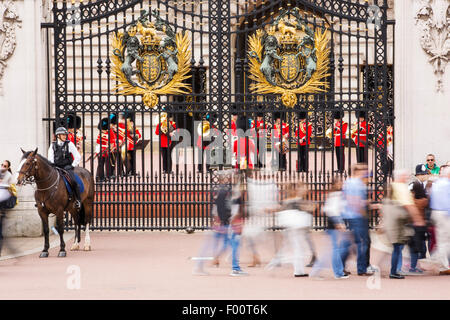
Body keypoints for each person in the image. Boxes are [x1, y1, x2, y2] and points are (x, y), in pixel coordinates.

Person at [382, 169, 420, 279]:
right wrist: (418, 219)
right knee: (398, 248)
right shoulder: (401, 188)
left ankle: (395, 269)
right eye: (405, 175)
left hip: (394, 223)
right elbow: (409, 206)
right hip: (398, 223)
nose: (407, 177)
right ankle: (394, 271)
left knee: (396, 247)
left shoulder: (392, 187)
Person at [311, 178, 349, 279]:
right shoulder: (336, 195)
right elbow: (333, 211)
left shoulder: (333, 195)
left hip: (332, 224)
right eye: (339, 183)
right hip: (334, 224)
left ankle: (339, 272)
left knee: (335, 249)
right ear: (335, 184)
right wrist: (339, 223)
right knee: (333, 251)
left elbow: (326, 209)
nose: (341, 185)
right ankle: (335, 272)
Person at [340, 164, 371, 276]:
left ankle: (341, 266)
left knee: (351, 243)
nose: (365, 172)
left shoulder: (348, 182)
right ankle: (361, 268)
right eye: (363, 169)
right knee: (362, 243)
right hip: (357, 216)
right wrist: (365, 207)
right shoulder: (357, 184)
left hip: (349, 215)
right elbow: (356, 202)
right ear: (356, 171)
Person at [48, 126, 82, 209]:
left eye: (65, 135)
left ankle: (78, 200)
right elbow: (50, 158)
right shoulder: (52, 145)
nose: (65, 136)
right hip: (56, 167)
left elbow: (77, 156)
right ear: (58, 136)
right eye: (63, 135)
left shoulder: (69, 144)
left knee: (73, 181)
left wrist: (72, 166)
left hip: (67, 167)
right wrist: (53, 166)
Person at [429, 165, 450, 275]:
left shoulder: (437, 184)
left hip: (436, 212)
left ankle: (443, 265)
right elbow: (447, 201)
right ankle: (435, 257)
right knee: (445, 242)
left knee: (443, 240)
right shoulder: (447, 184)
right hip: (445, 214)